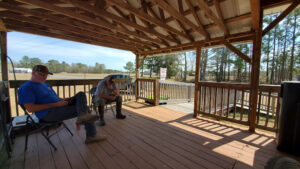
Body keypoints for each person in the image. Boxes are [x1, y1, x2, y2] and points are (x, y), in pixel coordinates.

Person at [18, 65, 106, 144]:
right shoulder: (26, 87)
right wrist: (56, 104)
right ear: (33, 73)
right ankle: (91, 135)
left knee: (81, 94)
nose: (44, 76)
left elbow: (55, 98)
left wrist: (64, 100)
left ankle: (82, 116)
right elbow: (31, 108)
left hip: (59, 106)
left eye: (46, 74)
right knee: (85, 109)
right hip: (48, 114)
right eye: (41, 74)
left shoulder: (46, 85)